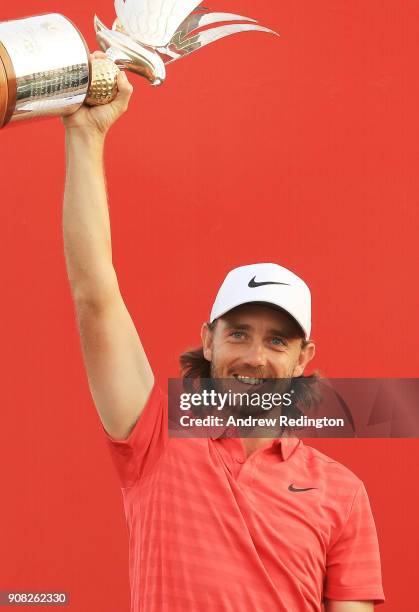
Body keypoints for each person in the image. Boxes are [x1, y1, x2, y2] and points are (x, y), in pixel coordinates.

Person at [62, 56, 385, 612]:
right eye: (238, 333)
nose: (254, 357)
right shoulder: (156, 435)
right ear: (208, 341)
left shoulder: (343, 496)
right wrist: (87, 136)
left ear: (303, 357)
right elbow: (96, 297)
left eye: (277, 341)